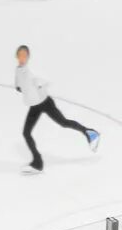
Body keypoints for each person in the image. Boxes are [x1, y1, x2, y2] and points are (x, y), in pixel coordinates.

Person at [14, 44, 100, 172]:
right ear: (17, 56)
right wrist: (22, 88)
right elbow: (19, 86)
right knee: (26, 133)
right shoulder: (18, 70)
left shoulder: (30, 73)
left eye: (24, 55)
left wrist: (40, 85)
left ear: (28, 57)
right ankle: (38, 163)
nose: (22, 57)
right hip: (34, 106)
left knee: (64, 123)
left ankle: (89, 132)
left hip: (45, 103)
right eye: (20, 54)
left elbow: (43, 81)